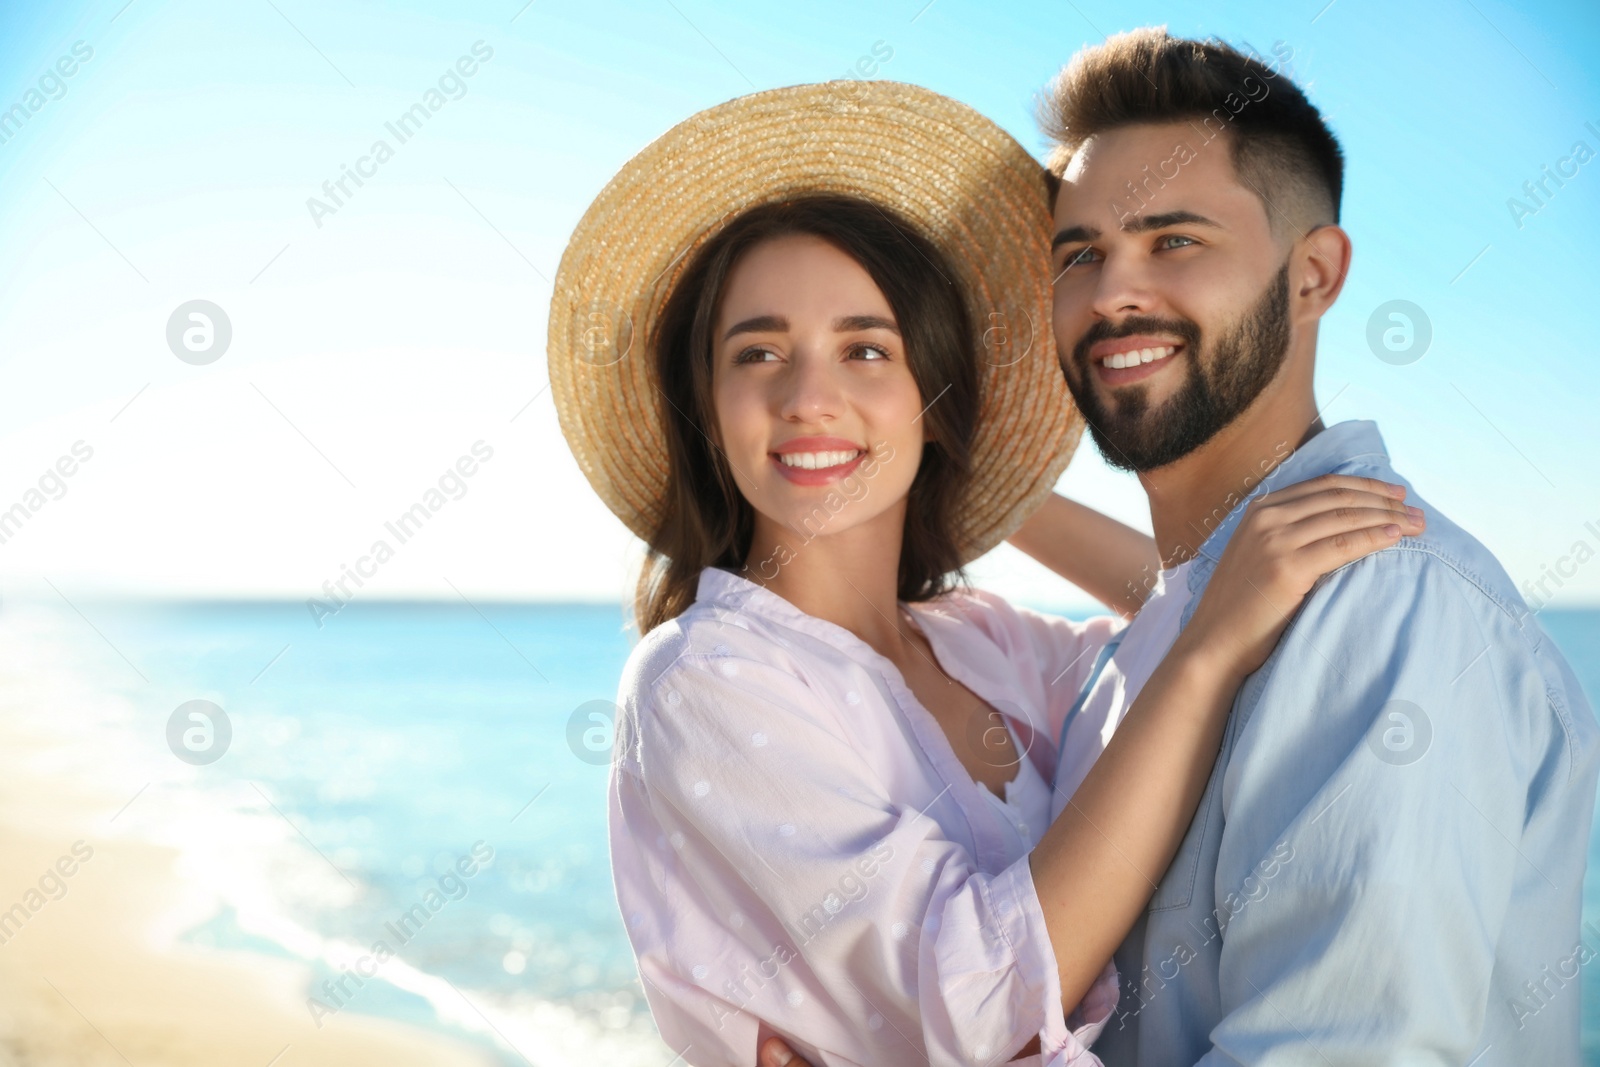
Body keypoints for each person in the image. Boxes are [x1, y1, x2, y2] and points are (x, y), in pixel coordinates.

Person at [761, 27, 1600, 1067]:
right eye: (1079, 255)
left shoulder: (1384, 606)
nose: (1114, 292)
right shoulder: (1152, 645)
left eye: (1174, 240)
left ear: (1313, 275)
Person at [551, 83, 1424, 1066]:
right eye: (758, 352)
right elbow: (986, 1000)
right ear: (709, 408)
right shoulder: (703, 679)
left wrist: (970, 474)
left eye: (865, 350)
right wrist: (1211, 650)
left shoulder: (983, 639)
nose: (807, 397)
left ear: (929, 394)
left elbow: (1177, 602)